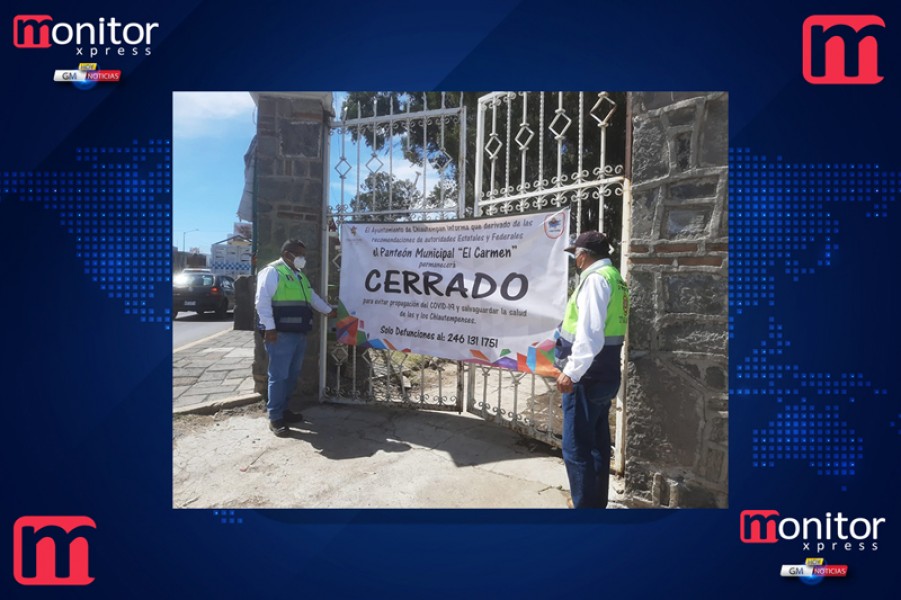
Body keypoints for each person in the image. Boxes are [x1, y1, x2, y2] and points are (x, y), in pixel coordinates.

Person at [554, 231, 629, 508]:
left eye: (576, 253)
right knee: (597, 446)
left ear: (583, 255)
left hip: (587, 377)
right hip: (605, 373)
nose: (575, 258)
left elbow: (590, 334)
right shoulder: (615, 279)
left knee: (575, 449)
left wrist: (571, 372)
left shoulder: (596, 280)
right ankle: (596, 507)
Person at [255, 239, 336, 437]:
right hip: (280, 334)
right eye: (300, 254)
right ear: (287, 254)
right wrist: (270, 328)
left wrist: (327, 311)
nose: (303, 258)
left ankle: (283, 410)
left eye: (304, 255)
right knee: (279, 376)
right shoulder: (272, 271)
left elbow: (311, 296)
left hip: (298, 333)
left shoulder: (299, 276)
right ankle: (275, 417)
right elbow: (262, 301)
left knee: (291, 376)